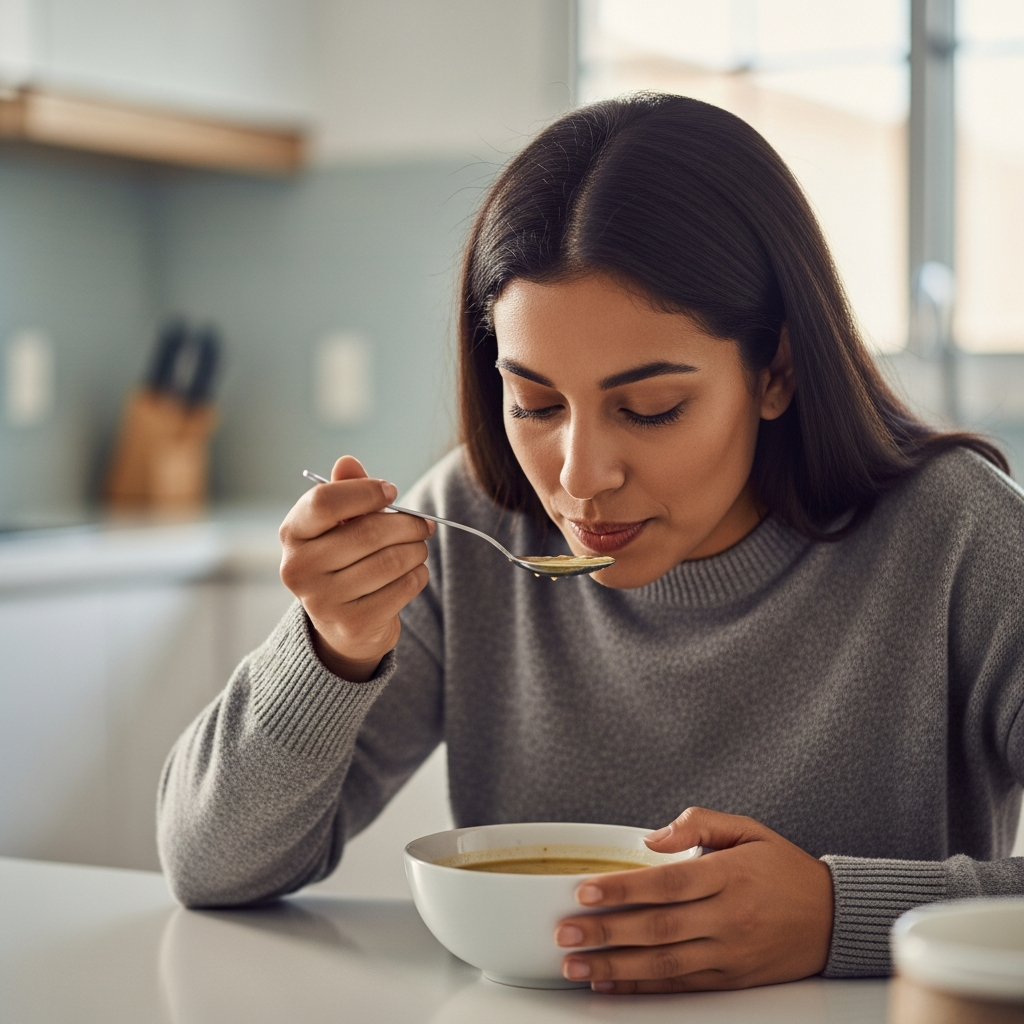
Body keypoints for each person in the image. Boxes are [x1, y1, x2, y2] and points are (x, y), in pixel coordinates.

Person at [157, 93, 1024, 993]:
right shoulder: (472, 525)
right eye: (534, 403)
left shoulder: (959, 537)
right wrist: (330, 650)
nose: (577, 477)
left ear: (776, 373)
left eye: (650, 409)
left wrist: (840, 917)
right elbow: (210, 867)